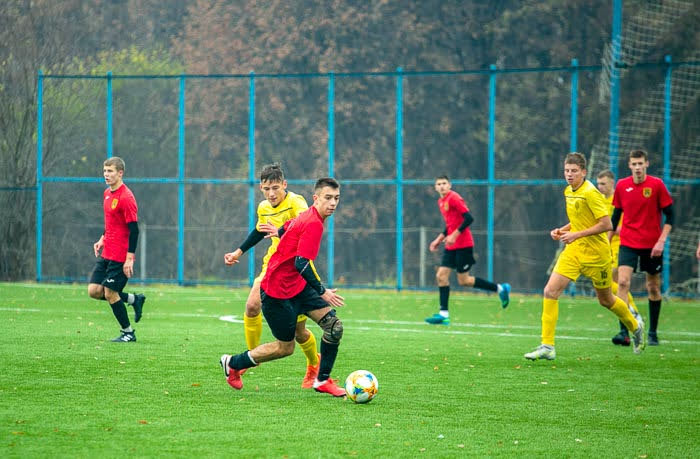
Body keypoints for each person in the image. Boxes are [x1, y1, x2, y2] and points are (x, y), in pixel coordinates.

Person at [220, 178, 347, 397]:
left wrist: (279, 232)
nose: (333, 203)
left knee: (334, 327)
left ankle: (322, 380)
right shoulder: (314, 223)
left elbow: (289, 227)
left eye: (336, 198)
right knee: (285, 348)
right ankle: (232, 363)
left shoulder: (307, 216)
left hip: (297, 286)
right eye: (328, 198)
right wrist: (322, 291)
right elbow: (302, 263)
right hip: (277, 291)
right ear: (315, 199)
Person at [524, 153, 645, 361]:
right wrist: (561, 231)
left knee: (606, 300)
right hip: (574, 251)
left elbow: (607, 224)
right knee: (550, 291)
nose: (569, 175)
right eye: (566, 171)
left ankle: (635, 328)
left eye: (574, 171)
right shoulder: (568, 191)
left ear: (583, 172)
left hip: (597, 256)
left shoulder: (591, 192)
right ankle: (547, 345)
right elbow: (578, 221)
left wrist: (576, 235)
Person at [425, 175, 510, 325]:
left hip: (464, 245)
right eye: (439, 184)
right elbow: (450, 225)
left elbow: (469, 218)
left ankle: (500, 288)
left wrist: (455, 235)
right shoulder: (441, 201)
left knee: (464, 280)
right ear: (435, 187)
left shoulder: (454, 198)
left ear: (450, 185)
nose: (442, 186)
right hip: (451, 246)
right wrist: (438, 240)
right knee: (441, 276)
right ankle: (443, 314)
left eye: (444, 183)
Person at [611, 149, 673, 346]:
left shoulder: (657, 185)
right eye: (634, 164)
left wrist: (661, 241)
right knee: (622, 283)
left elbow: (671, 216)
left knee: (653, 287)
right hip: (628, 243)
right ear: (629, 166)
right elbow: (614, 219)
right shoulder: (622, 186)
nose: (637, 167)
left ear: (647, 164)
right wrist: (606, 240)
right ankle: (625, 332)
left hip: (652, 245)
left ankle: (653, 332)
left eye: (640, 164)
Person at [87, 157, 146, 342]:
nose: (106, 174)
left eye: (110, 171)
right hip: (107, 252)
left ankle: (128, 332)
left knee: (110, 292)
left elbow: (134, 230)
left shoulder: (126, 197)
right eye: (105, 171)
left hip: (120, 255)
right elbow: (112, 223)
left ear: (120, 173)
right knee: (94, 291)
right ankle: (134, 300)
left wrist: (130, 258)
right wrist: (102, 239)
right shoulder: (107, 193)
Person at [596, 170, 640, 346]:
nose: (600, 187)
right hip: (605, 244)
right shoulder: (599, 200)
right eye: (598, 183)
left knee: (615, 282)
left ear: (612, 183)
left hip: (620, 245)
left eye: (603, 183)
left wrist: (611, 230)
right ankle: (630, 316)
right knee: (615, 284)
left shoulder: (619, 200)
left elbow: (622, 224)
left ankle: (633, 313)